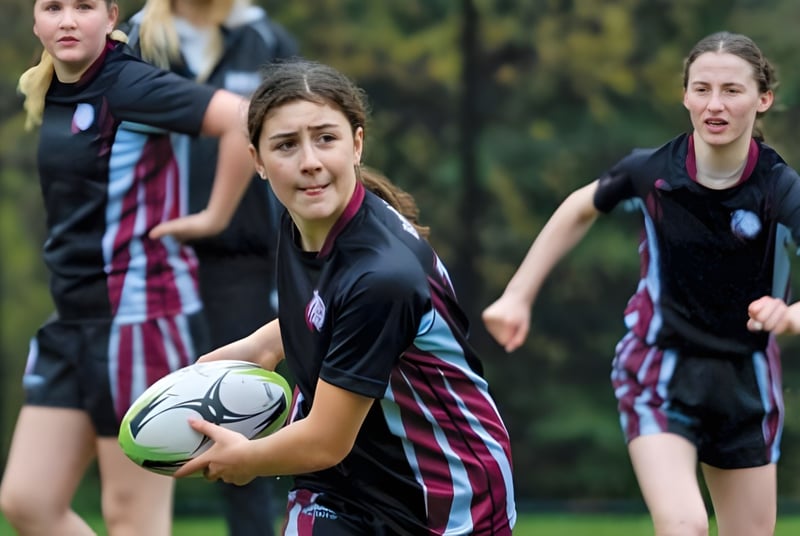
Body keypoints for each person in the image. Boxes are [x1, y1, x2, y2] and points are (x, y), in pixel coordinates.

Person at [161, 58, 516, 535]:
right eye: (286, 145)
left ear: (357, 144)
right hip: (340, 483)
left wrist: (245, 459)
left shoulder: (382, 276)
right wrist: (260, 348)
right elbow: (322, 310)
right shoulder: (302, 220)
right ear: (258, 162)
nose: (309, 161)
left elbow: (326, 439)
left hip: (442, 502)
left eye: (325, 138)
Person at [482, 31, 793, 536]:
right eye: (702, 89)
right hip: (658, 370)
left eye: (732, 91)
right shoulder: (653, 171)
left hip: (746, 381)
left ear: (763, 99)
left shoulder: (781, 189)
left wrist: (791, 315)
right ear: (685, 96)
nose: (715, 104)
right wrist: (518, 294)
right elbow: (580, 206)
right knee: (685, 526)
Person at [0, 0, 254, 534]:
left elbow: (241, 117)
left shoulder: (127, 86)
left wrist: (212, 218)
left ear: (112, 17)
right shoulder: (54, 89)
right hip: (72, 324)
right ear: (35, 20)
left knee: (132, 517)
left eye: (84, 7)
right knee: (27, 500)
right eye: (53, 7)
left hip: (140, 322)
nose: (67, 20)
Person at [120, 1, 298, 534]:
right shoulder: (136, 40)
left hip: (242, 265)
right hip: (149, 264)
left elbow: (297, 141)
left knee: (239, 429)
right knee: (152, 432)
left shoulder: (266, 39)